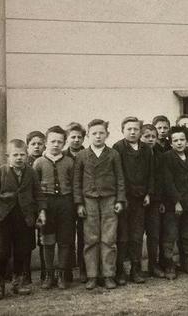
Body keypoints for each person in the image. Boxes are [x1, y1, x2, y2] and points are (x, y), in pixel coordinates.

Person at [0, 139, 46, 300]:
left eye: (22, 154)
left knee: (22, 249)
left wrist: (41, 212)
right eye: (15, 155)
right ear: (8, 156)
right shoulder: (1, 171)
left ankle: (17, 282)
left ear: (26, 155)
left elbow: (38, 194)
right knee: (2, 251)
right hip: (4, 218)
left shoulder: (31, 172)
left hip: (25, 217)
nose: (19, 158)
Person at [73, 119, 126, 290]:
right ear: (88, 135)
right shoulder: (82, 156)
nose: (98, 136)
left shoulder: (113, 154)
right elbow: (77, 182)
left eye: (101, 133)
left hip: (109, 199)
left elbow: (120, 178)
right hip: (89, 201)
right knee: (91, 239)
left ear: (107, 135)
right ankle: (92, 276)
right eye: (94, 133)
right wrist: (79, 204)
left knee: (109, 239)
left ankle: (109, 275)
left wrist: (120, 200)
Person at [112, 117, 153, 285]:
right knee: (122, 235)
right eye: (129, 129)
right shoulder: (118, 148)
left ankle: (136, 269)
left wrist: (148, 193)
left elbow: (151, 173)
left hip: (140, 199)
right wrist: (121, 197)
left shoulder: (146, 149)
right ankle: (120, 270)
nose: (133, 132)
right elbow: (117, 175)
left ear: (140, 131)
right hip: (124, 199)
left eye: (136, 129)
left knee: (137, 234)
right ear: (123, 130)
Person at [33, 126, 75, 290]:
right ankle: (49, 275)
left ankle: (62, 275)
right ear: (46, 142)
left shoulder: (69, 162)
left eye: (60, 142)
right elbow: (35, 188)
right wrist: (40, 208)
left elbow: (74, 184)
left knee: (64, 240)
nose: (56, 145)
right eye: (53, 141)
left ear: (64, 143)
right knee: (48, 240)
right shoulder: (39, 162)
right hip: (47, 204)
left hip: (65, 203)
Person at [161, 126, 188, 279]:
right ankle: (169, 265)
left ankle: (186, 263)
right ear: (170, 143)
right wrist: (176, 202)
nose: (179, 143)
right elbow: (168, 182)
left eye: (182, 140)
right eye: (175, 140)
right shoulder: (167, 157)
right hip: (173, 204)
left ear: (187, 141)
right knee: (171, 235)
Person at [140, 123, 166, 278]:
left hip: (155, 200)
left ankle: (153, 264)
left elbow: (162, 179)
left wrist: (160, 200)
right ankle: (135, 267)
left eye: (153, 137)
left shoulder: (160, 153)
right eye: (147, 136)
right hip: (138, 199)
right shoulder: (137, 153)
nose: (150, 139)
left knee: (154, 233)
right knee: (136, 234)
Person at [63, 122, 86, 283]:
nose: (76, 140)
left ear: (83, 138)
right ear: (67, 138)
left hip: (85, 199)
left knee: (84, 235)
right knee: (67, 235)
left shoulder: (87, 154)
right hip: (67, 201)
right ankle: (68, 270)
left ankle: (84, 268)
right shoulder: (62, 155)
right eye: (73, 137)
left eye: (79, 137)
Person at [26, 130, 45, 282]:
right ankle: (25, 273)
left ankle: (45, 271)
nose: (37, 146)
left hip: (42, 204)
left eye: (40, 144)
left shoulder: (46, 161)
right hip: (27, 206)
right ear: (27, 146)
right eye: (33, 144)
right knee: (25, 239)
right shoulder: (23, 162)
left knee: (44, 238)